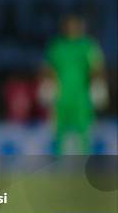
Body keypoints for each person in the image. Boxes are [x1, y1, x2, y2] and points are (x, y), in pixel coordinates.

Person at [40, 14, 107, 154]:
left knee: (83, 131)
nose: (72, 28)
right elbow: (47, 67)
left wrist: (98, 86)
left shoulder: (87, 45)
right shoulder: (56, 45)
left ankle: (83, 164)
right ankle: (58, 163)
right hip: (60, 97)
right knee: (58, 131)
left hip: (81, 97)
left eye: (75, 25)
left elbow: (96, 67)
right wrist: (47, 85)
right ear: (64, 27)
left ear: (80, 27)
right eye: (69, 25)